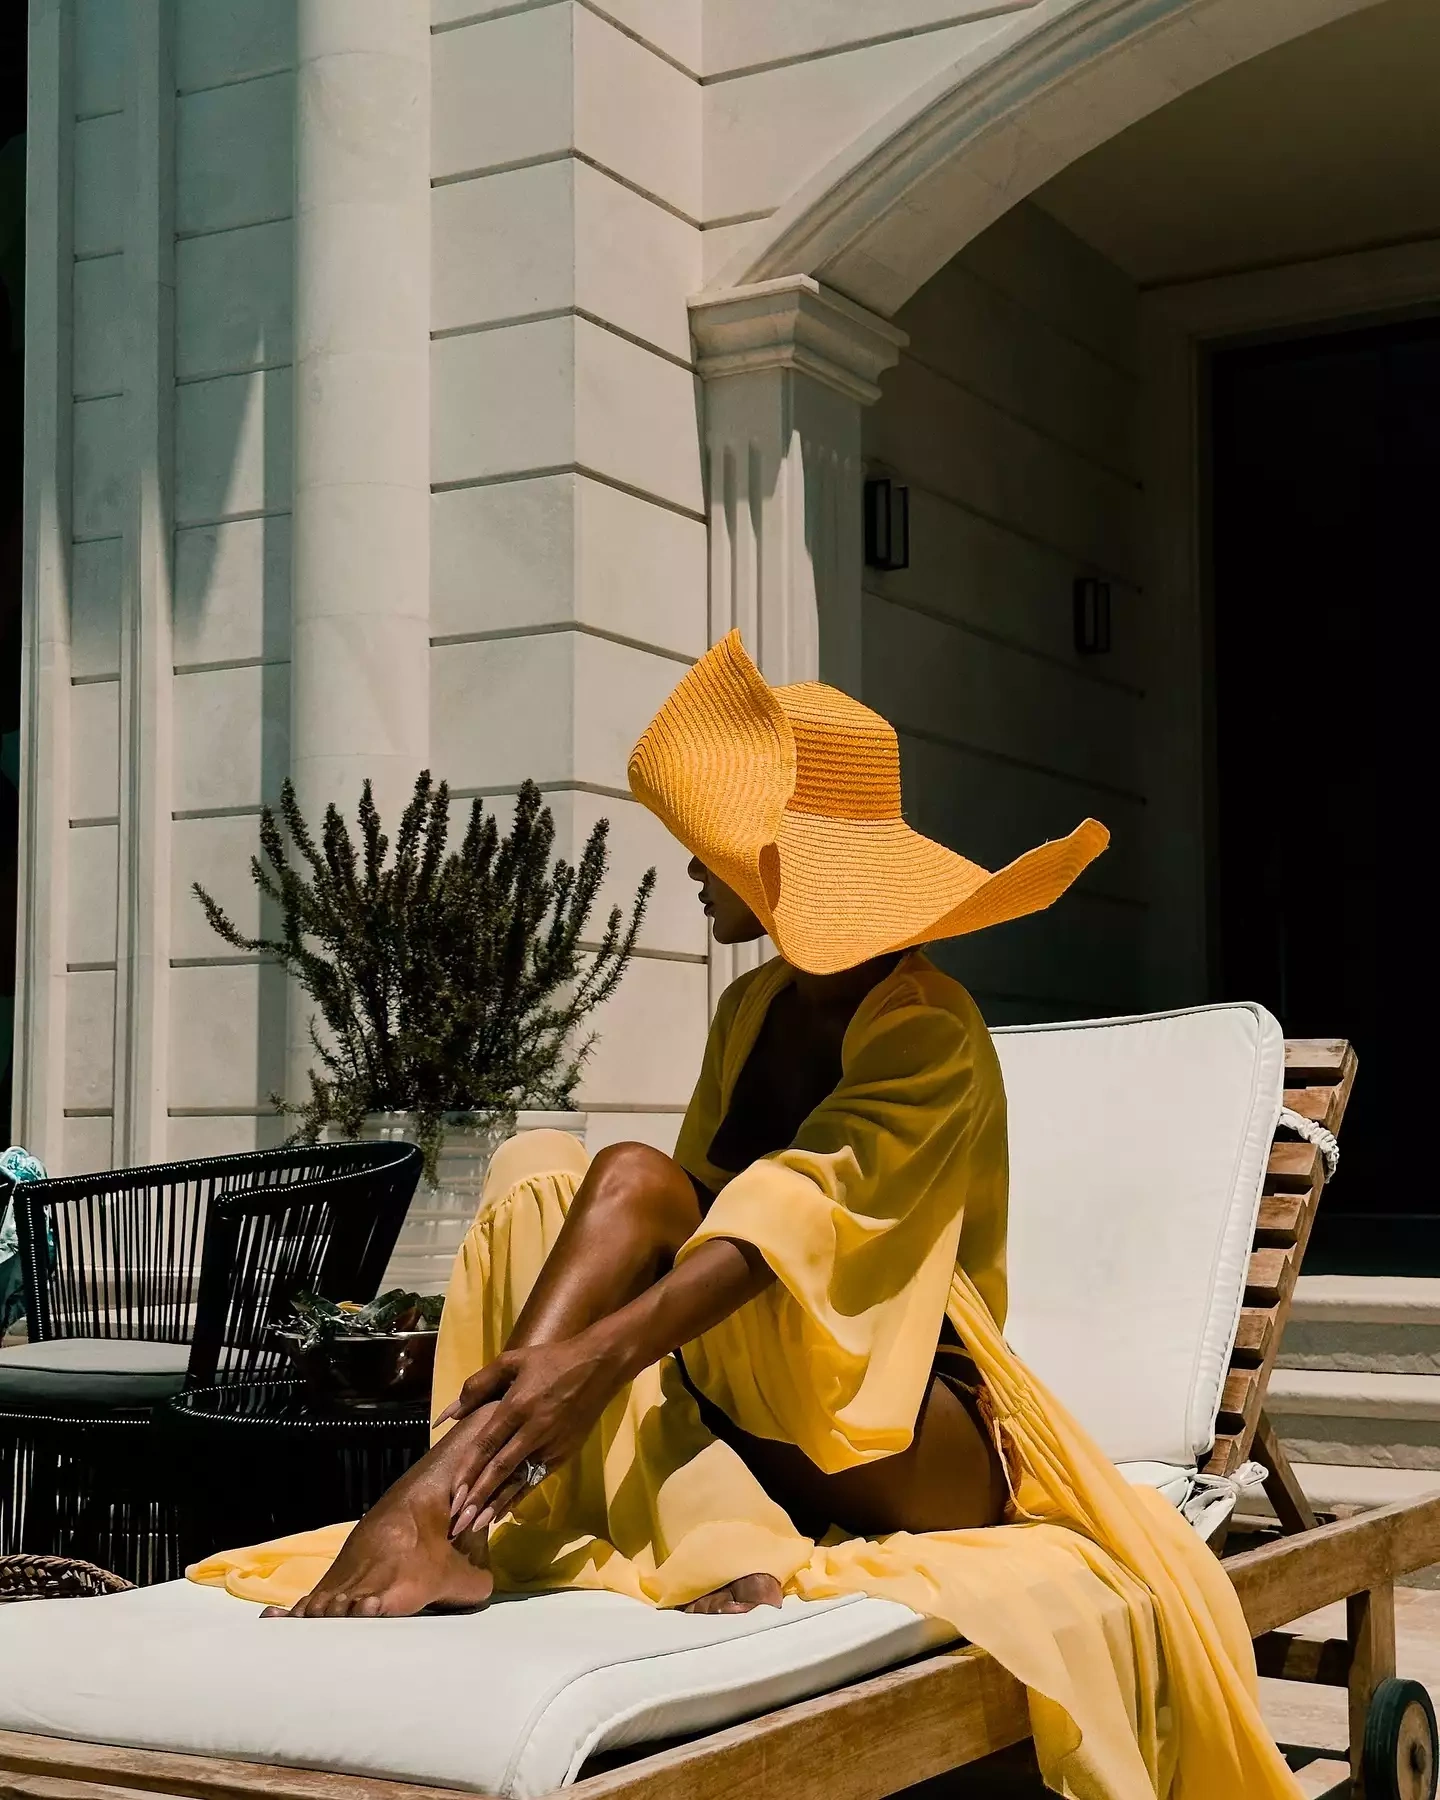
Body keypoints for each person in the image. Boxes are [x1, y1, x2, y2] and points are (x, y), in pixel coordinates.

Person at [197, 634, 1304, 1798]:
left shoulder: (931, 1034)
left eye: (713, 848)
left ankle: (436, 1500)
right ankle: (459, 1508)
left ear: (788, 865)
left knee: (675, 1198)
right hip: (768, 1407)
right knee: (555, 1170)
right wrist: (585, 1352)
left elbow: (797, 1218)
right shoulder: (753, 1009)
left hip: (912, 1439)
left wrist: (591, 1364)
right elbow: (664, 1214)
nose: (691, 869)